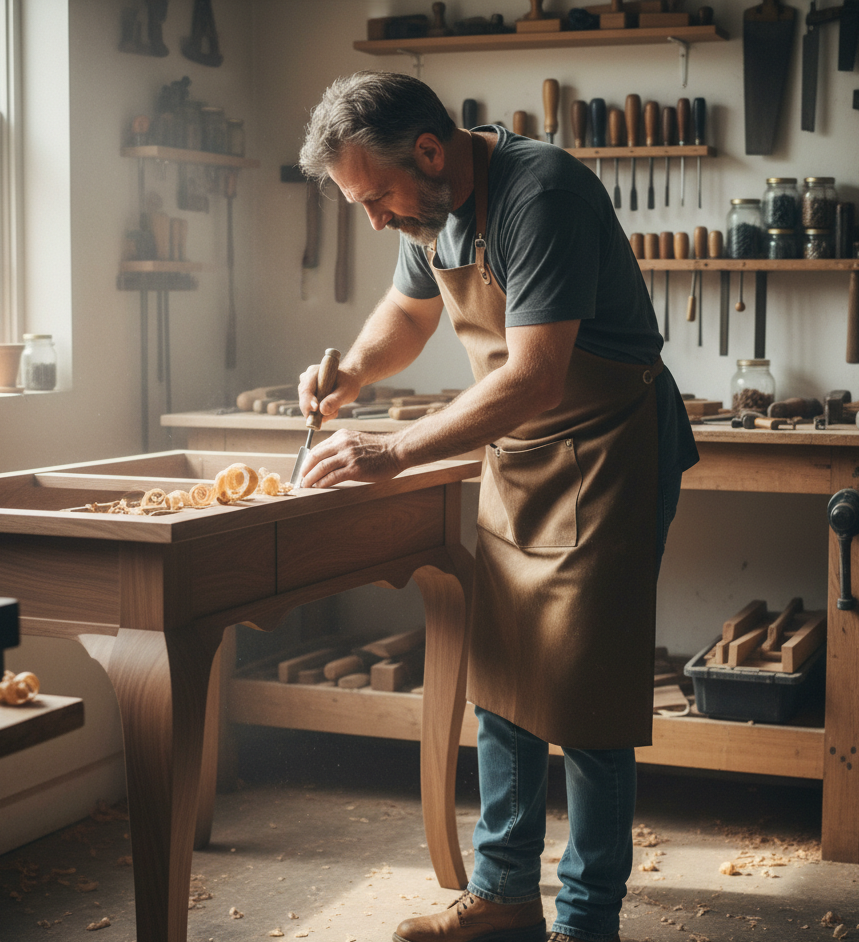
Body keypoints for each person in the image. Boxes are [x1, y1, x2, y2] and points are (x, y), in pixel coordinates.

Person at [296, 71, 698, 942]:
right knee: (503, 677)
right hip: (521, 454)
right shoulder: (430, 207)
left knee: (586, 697)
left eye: (376, 197)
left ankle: (588, 921)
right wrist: (351, 374)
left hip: (607, 446)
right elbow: (405, 320)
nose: (375, 219)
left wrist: (394, 450)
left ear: (431, 152)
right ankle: (506, 894)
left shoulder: (539, 193)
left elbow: (535, 374)